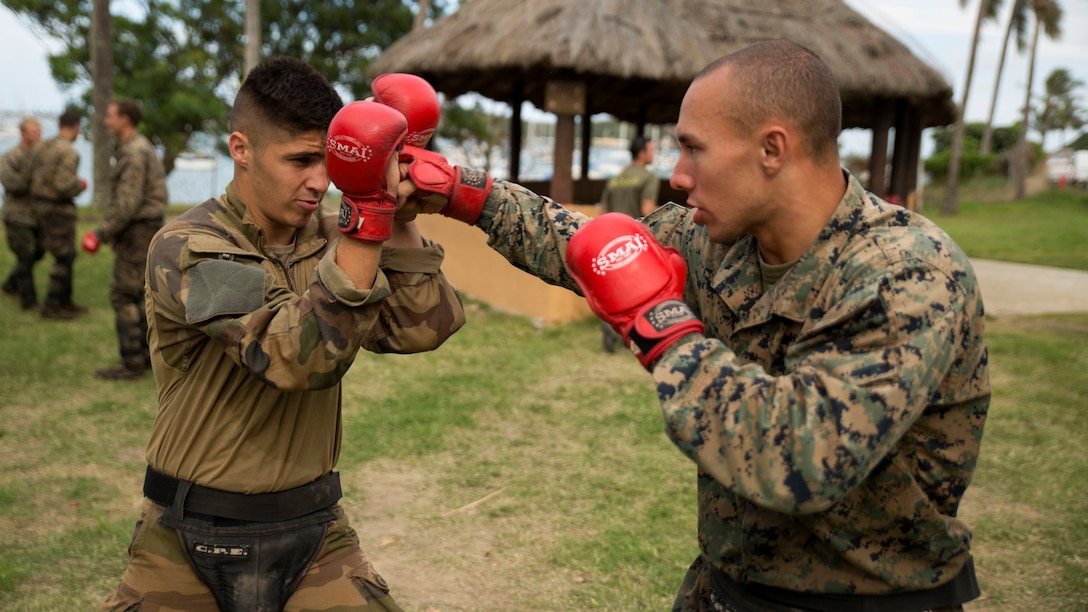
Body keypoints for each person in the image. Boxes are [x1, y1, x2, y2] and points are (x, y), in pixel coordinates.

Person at [397, 39, 989, 611]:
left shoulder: (904, 274)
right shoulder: (719, 242)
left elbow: (799, 457)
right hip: (728, 582)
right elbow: (589, 246)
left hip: (865, 603)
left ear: (772, 149)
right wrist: (458, 190)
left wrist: (662, 329)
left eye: (694, 148)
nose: (678, 175)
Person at [100, 57, 465, 611]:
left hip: (316, 530)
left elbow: (424, 327)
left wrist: (399, 211)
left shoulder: (329, 236)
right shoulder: (188, 245)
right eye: (299, 160)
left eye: (328, 160)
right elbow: (294, 357)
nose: (319, 182)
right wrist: (368, 218)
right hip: (189, 534)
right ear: (240, 149)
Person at [81, 99, 167, 379]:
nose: (107, 121)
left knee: (123, 294)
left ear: (125, 119)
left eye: (110, 116)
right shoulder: (139, 147)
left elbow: (127, 204)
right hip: (144, 228)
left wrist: (100, 232)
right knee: (141, 294)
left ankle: (132, 363)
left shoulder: (133, 152)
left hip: (138, 229)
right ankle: (146, 357)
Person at [596, 135, 659, 352]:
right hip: (635, 244)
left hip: (610, 242)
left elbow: (602, 211)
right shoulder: (649, 178)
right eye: (651, 150)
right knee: (640, 292)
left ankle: (608, 327)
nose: (653, 153)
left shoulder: (616, 178)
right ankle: (637, 335)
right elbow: (647, 211)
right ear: (642, 153)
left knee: (612, 291)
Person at [30, 107, 88, 319]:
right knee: (64, 256)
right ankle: (53, 306)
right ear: (77, 127)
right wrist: (80, 185)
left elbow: (31, 173)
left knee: (66, 254)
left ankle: (66, 302)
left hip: (39, 205)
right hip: (57, 209)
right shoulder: (69, 152)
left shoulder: (43, 146)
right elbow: (64, 185)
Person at [1, 116, 44, 310]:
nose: (38, 136)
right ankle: (29, 301)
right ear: (23, 134)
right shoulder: (10, 157)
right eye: (34, 132)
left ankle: (10, 285)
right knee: (26, 255)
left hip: (36, 216)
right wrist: (32, 176)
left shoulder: (41, 156)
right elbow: (14, 185)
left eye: (39, 132)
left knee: (40, 251)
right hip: (16, 216)